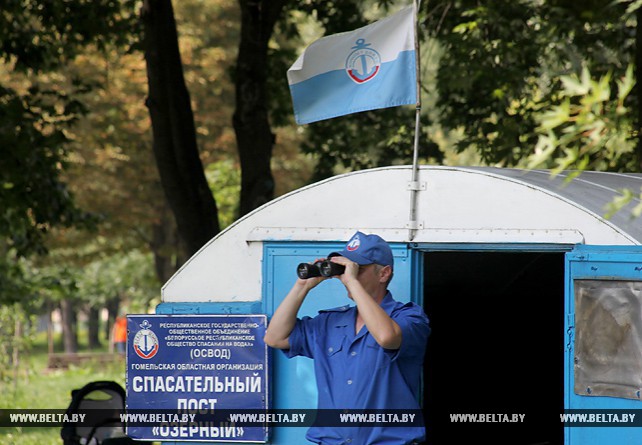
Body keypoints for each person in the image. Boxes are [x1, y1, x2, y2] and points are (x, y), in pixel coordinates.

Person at [264, 231, 431, 445]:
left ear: (384, 273)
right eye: (344, 269)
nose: (346, 276)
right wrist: (302, 286)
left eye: (357, 269)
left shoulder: (409, 317)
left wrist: (353, 283)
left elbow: (387, 337)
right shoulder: (331, 322)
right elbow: (275, 338)